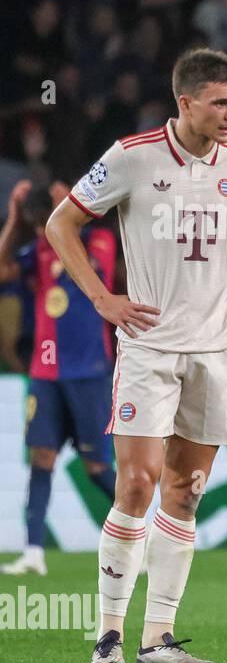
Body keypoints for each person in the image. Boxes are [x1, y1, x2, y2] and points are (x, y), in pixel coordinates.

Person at [46, 48, 227, 663]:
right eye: (221, 102)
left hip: (219, 349)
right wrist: (103, 298)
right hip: (149, 347)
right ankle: (106, 635)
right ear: (185, 102)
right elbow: (60, 225)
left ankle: (158, 637)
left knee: (185, 491)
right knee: (136, 483)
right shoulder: (132, 156)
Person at [0, 181, 117, 576]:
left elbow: (93, 269)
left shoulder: (99, 238)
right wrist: (16, 217)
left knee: (97, 468)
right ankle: (34, 551)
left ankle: (146, 534)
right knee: (41, 458)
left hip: (89, 371)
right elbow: (2, 270)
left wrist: (64, 212)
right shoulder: (38, 249)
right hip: (46, 371)